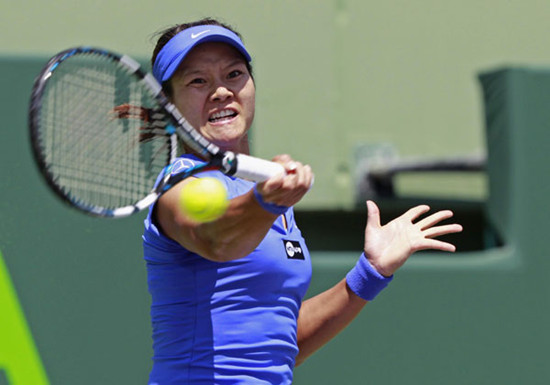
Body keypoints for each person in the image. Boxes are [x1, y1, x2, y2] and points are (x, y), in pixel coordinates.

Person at [143, 18, 463, 384]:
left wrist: (369, 274)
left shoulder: (263, 194)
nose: (220, 91)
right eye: (198, 80)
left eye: (233, 74)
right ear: (168, 104)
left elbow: (278, 344)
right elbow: (216, 239)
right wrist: (264, 204)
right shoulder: (178, 184)